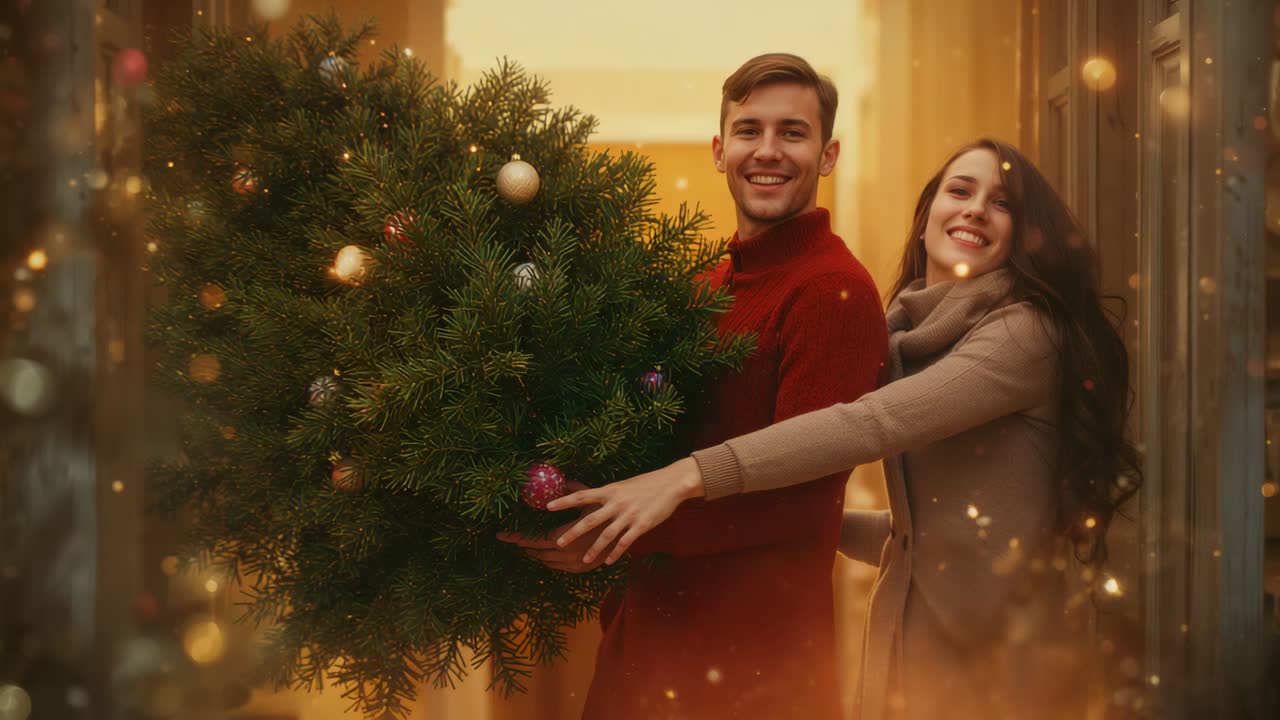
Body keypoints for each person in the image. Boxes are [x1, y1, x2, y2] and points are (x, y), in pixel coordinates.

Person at [545, 137, 1144, 720]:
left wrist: (686, 477)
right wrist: (800, 518)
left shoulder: (1025, 335)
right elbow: (924, 533)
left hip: (1008, 663)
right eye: (959, 190)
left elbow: (873, 422)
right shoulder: (905, 335)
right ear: (929, 211)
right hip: (915, 653)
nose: (975, 209)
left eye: (1002, 202)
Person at [500, 53, 888, 719]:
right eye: (749, 130)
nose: (767, 151)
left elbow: (801, 506)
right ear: (719, 149)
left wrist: (619, 529)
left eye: (792, 133)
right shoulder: (705, 284)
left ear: (828, 156)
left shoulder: (833, 292)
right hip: (647, 650)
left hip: (751, 673)